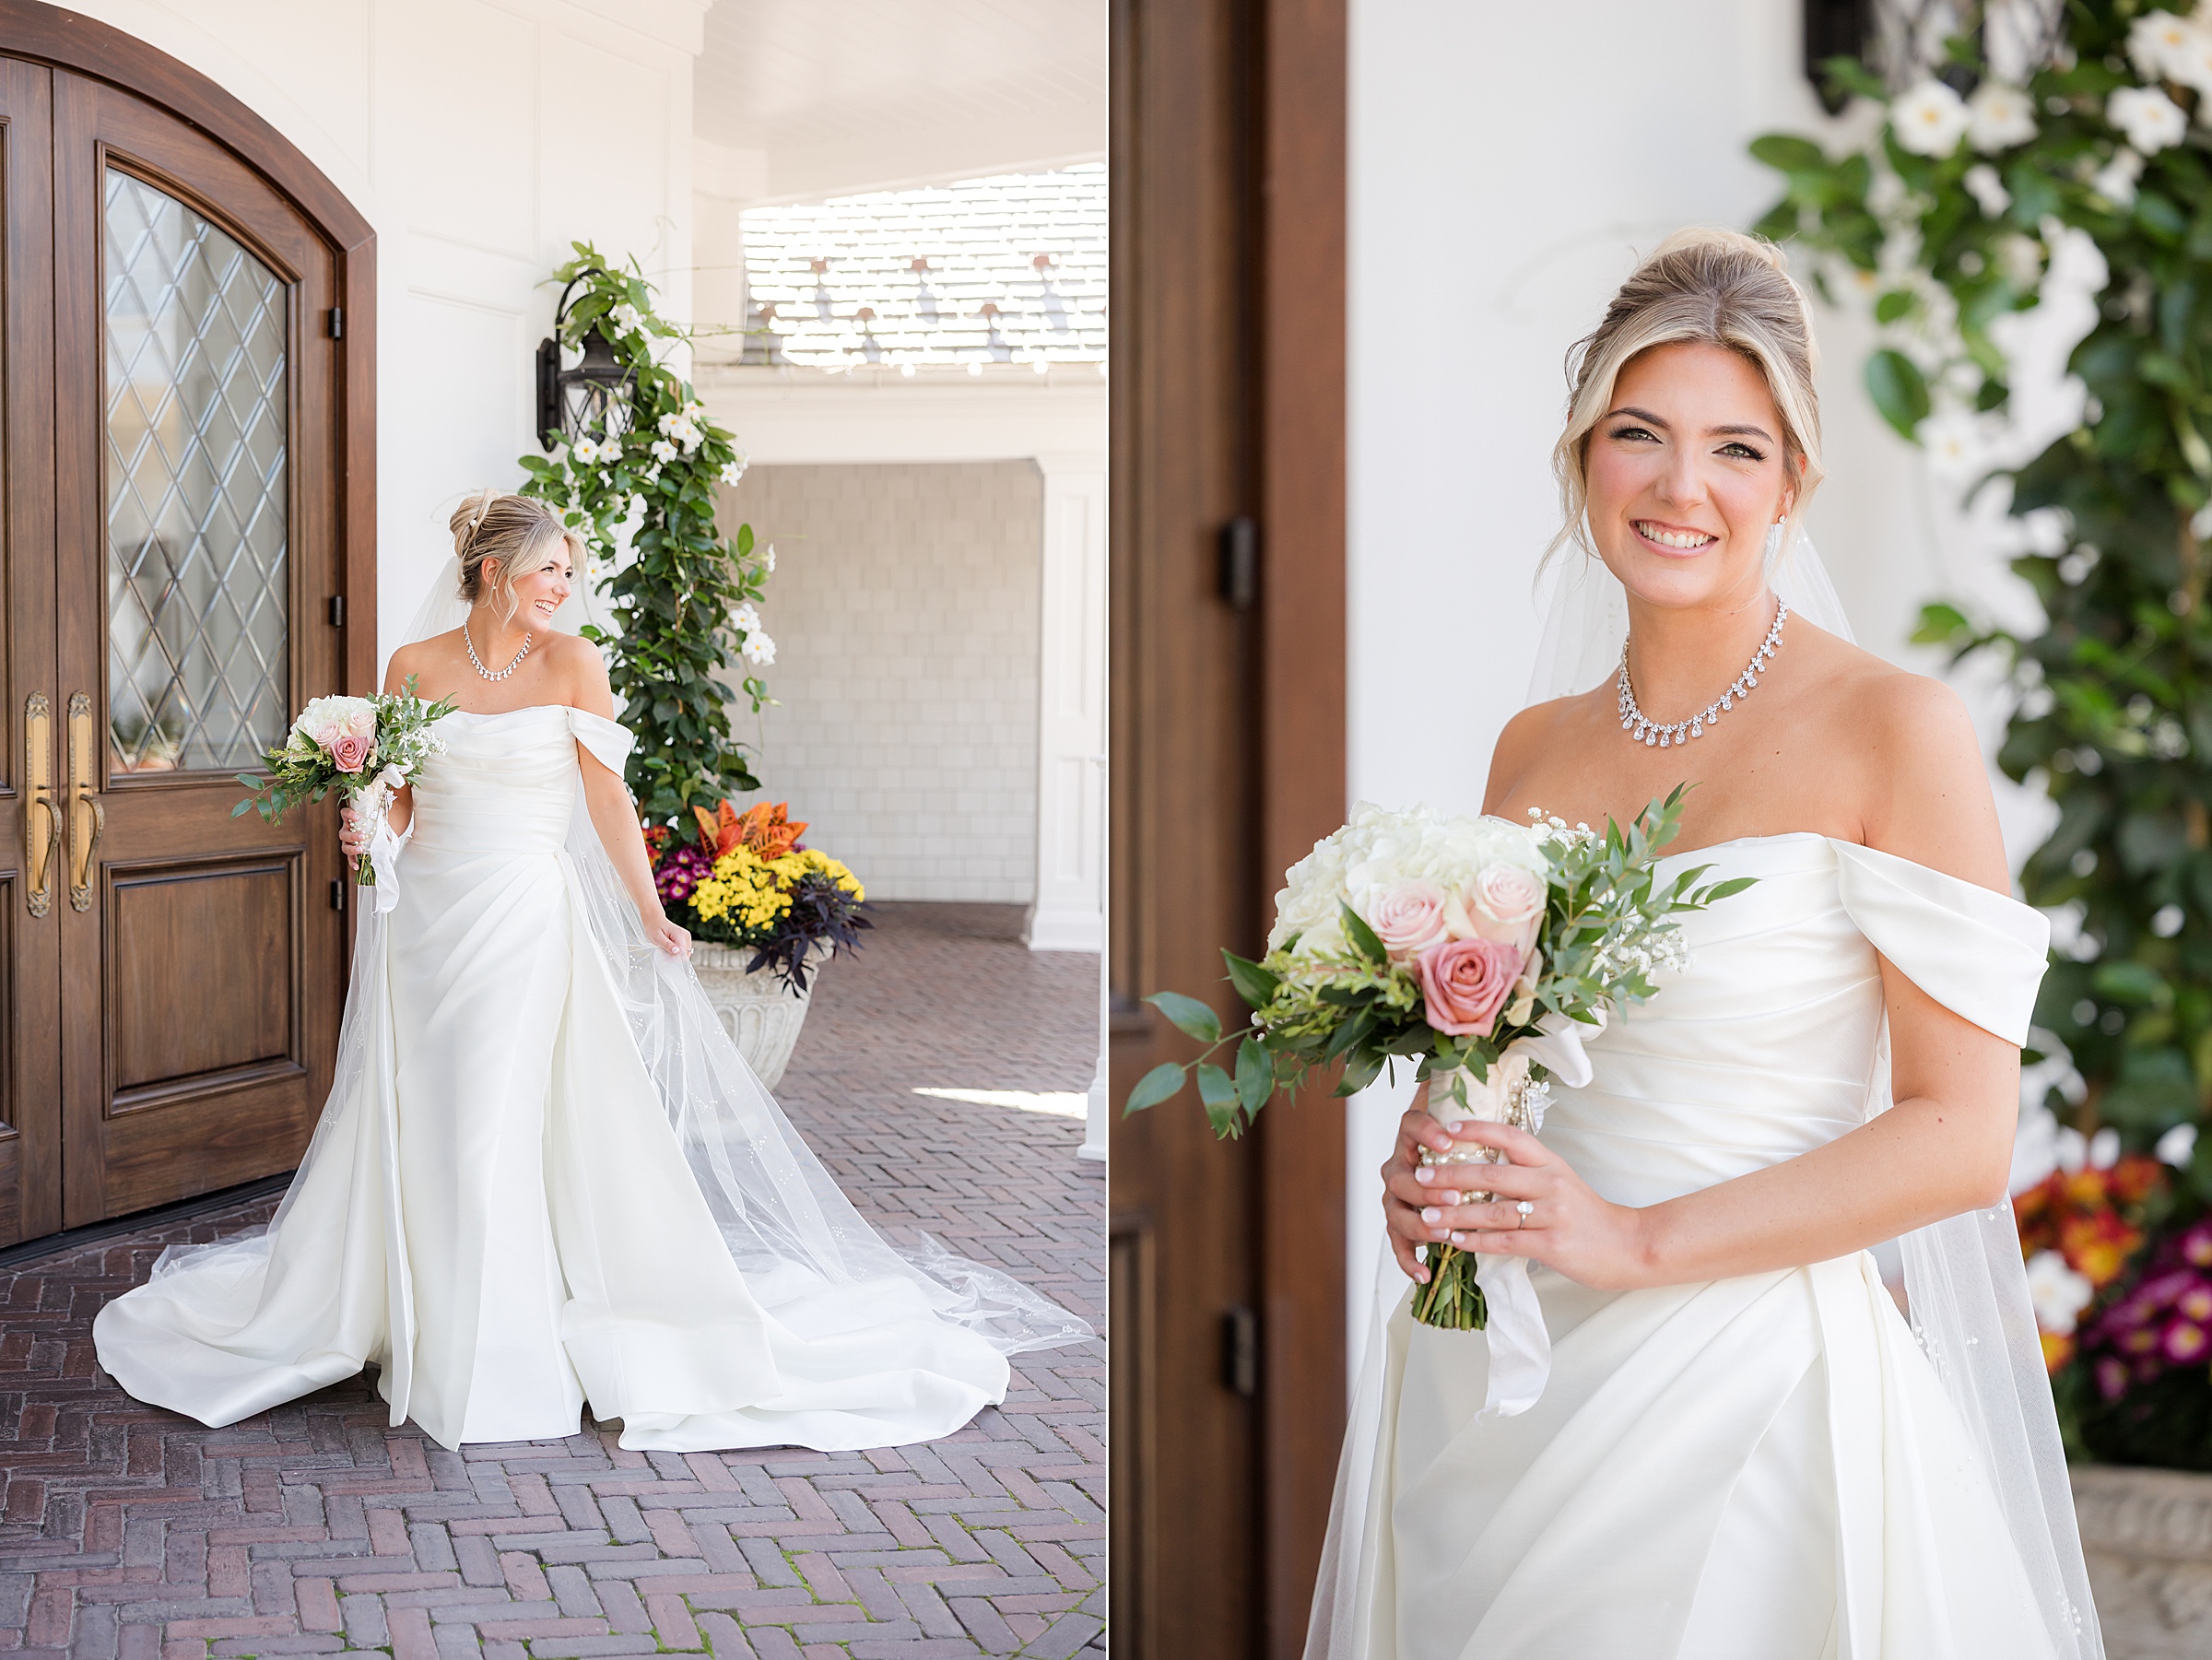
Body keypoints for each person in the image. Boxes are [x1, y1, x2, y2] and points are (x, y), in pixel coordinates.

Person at [1307, 231, 2100, 1658]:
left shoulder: (1896, 729)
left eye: (1737, 448)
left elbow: (1961, 1135)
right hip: (1502, 1379)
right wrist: (1438, 1157)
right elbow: (1503, 1055)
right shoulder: (1530, 746)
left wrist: (1632, 1238)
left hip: (1747, 1389)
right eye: (1639, 436)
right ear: (1581, 459)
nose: (1683, 488)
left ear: (1793, 481)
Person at [93, 489, 1087, 1453]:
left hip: (524, 916)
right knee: (428, 1112)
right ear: (494, 572)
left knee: (491, 1114)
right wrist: (368, 824)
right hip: (426, 926)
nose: (564, 585)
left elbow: (605, 799)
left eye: (570, 571)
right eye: (549, 569)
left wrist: (651, 909)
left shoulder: (574, 663)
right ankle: (417, 1313)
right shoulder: (413, 663)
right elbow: (403, 799)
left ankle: (488, 1358)